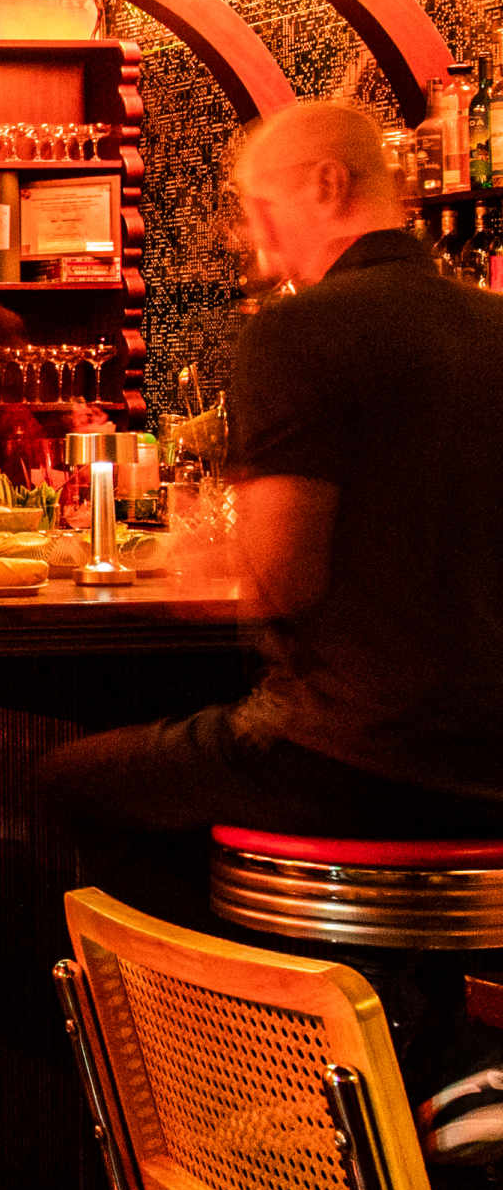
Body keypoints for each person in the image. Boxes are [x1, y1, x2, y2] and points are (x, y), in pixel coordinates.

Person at [42, 101, 503, 1112]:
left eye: (259, 208)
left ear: (329, 186)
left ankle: (245, 1079)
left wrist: (178, 562)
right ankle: (420, 1051)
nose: (256, 241)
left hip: (358, 753)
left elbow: (279, 576)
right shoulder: (490, 325)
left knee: (71, 783)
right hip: (490, 762)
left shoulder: (299, 333)